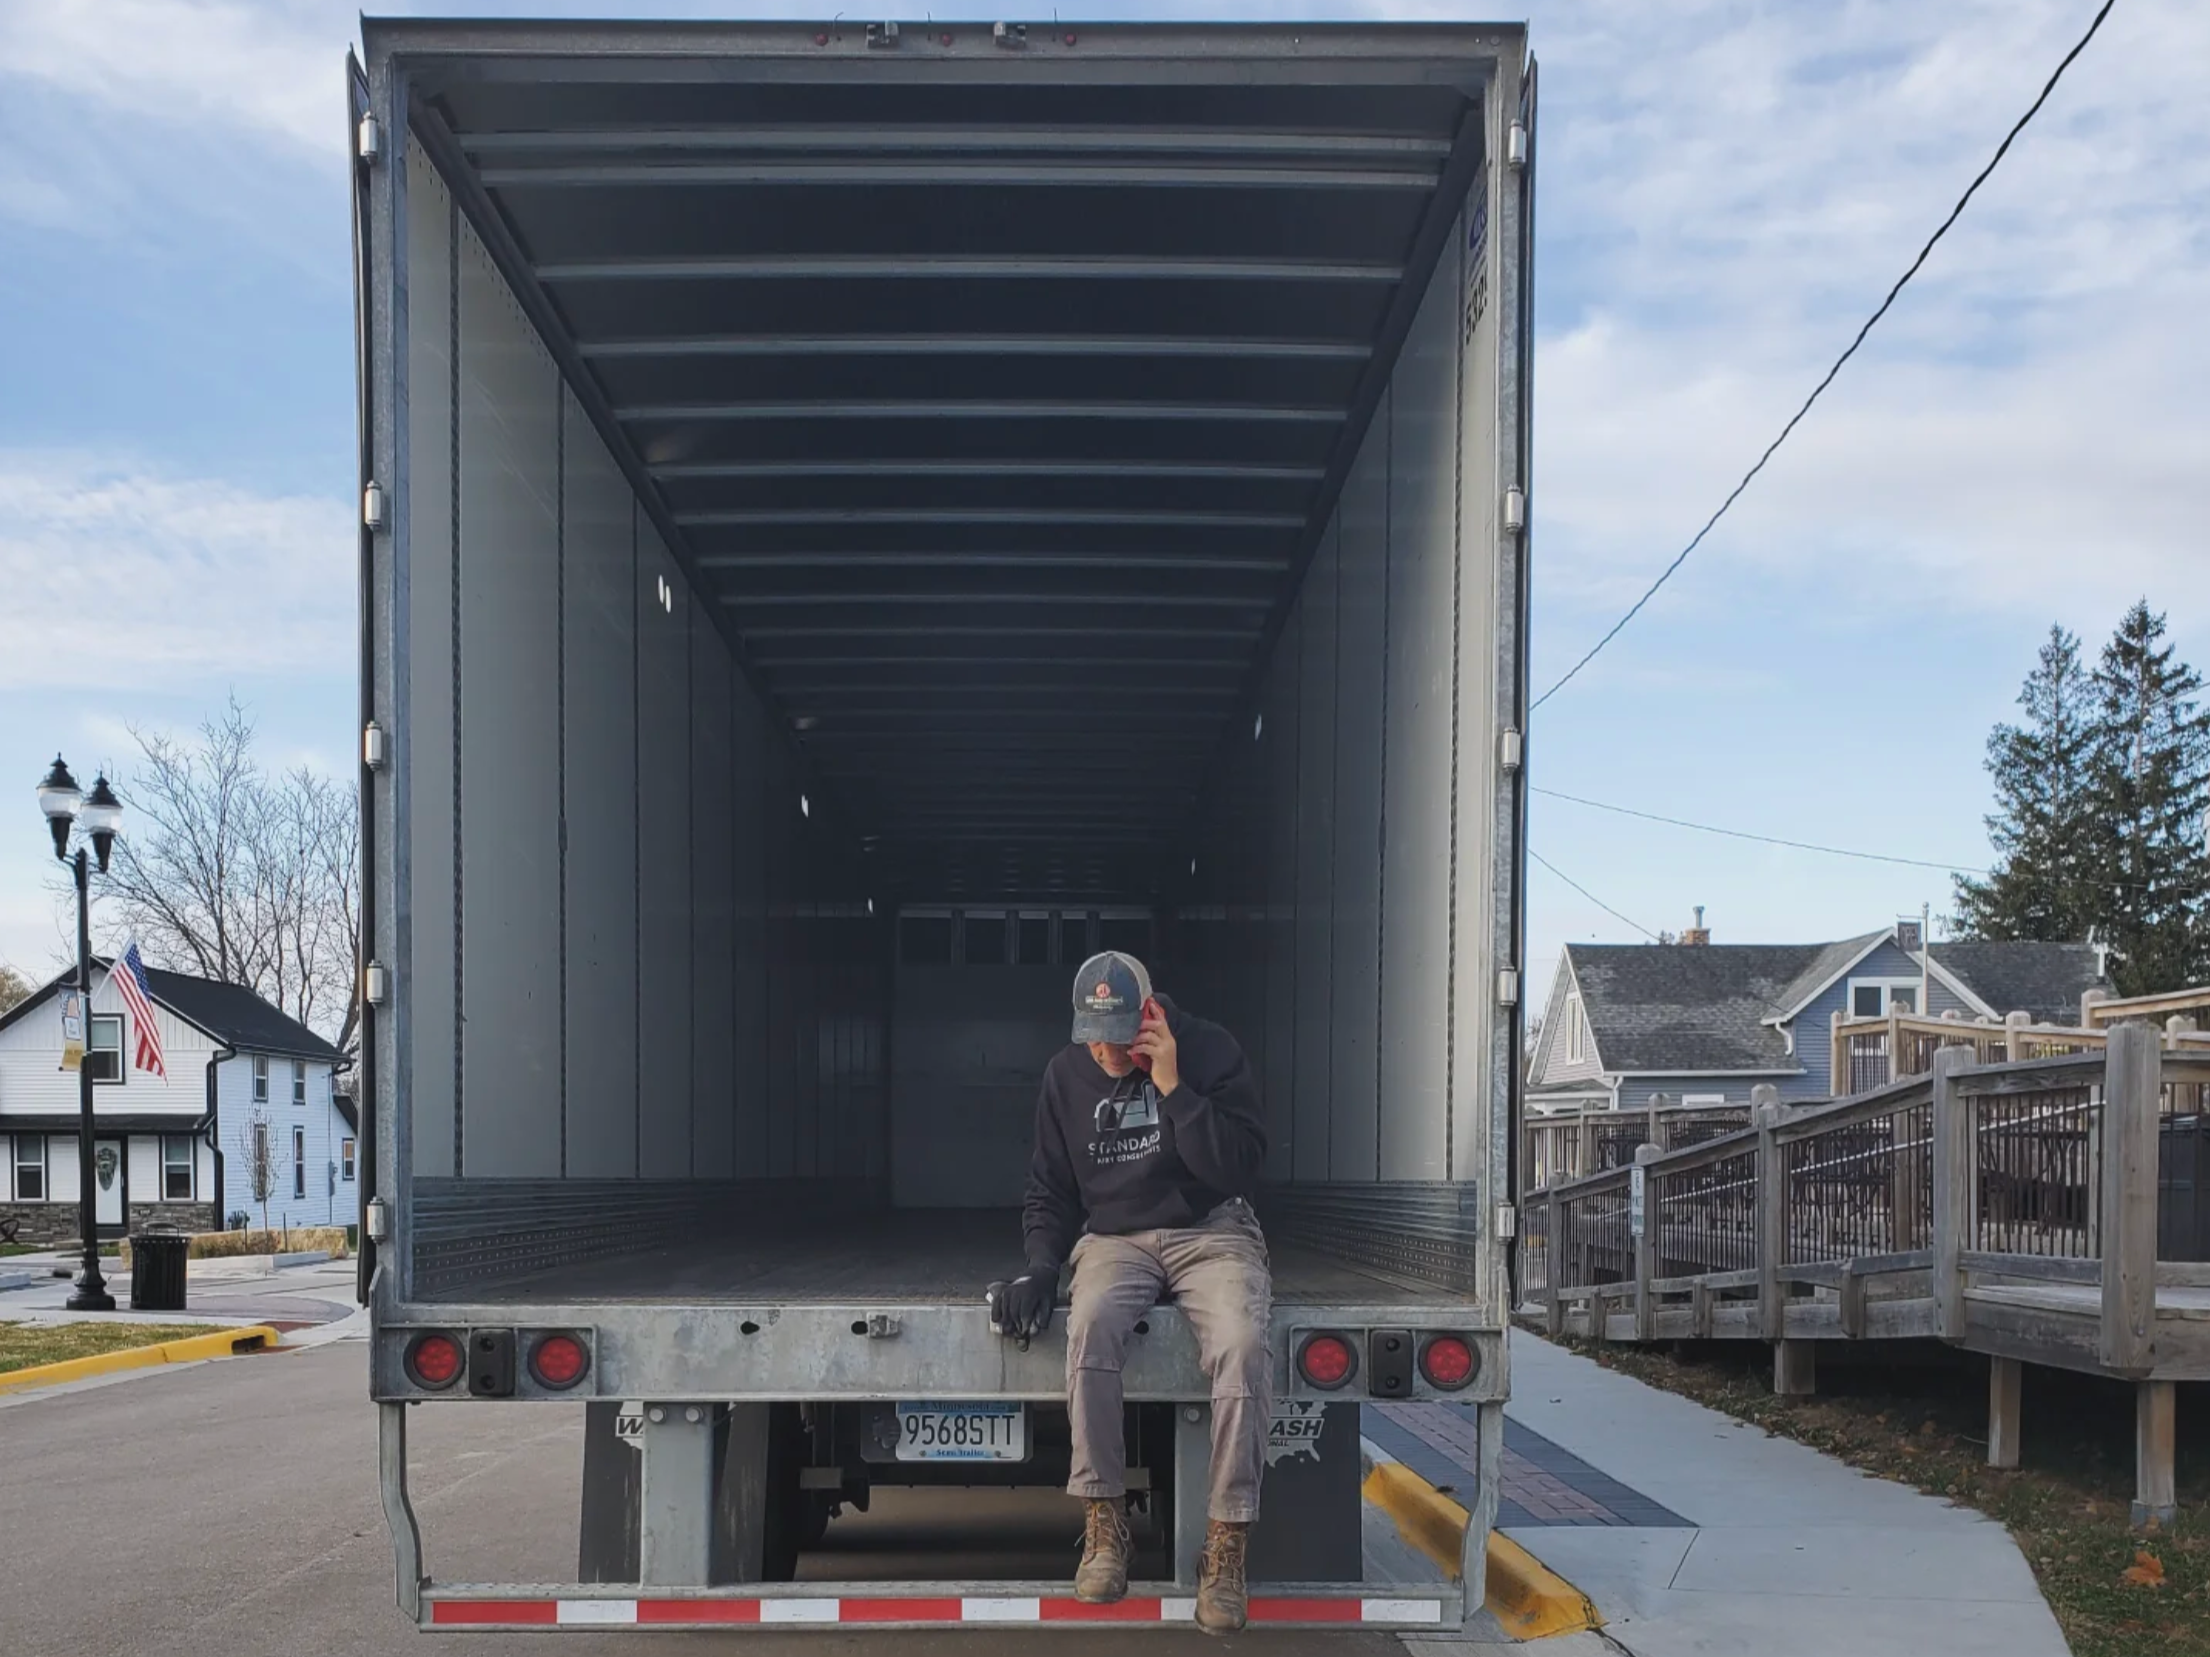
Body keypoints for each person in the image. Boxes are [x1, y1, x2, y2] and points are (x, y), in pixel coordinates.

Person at [996, 950, 1270, 1635]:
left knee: (1241, 1343)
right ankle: (1103, 1523)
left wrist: (1174, 1086)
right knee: (1088, 1325)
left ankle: (1227, 1544)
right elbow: (1050, 1188)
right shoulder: (1066, 1074)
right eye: (1092, 1031)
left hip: (1210, 1226)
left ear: (1151, 1014)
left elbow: (1239, 1165)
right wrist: (1039, 1266)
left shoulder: (1209, 1050)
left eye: (1119, 1030)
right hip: (1115, 1237)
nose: (1104, 1047)